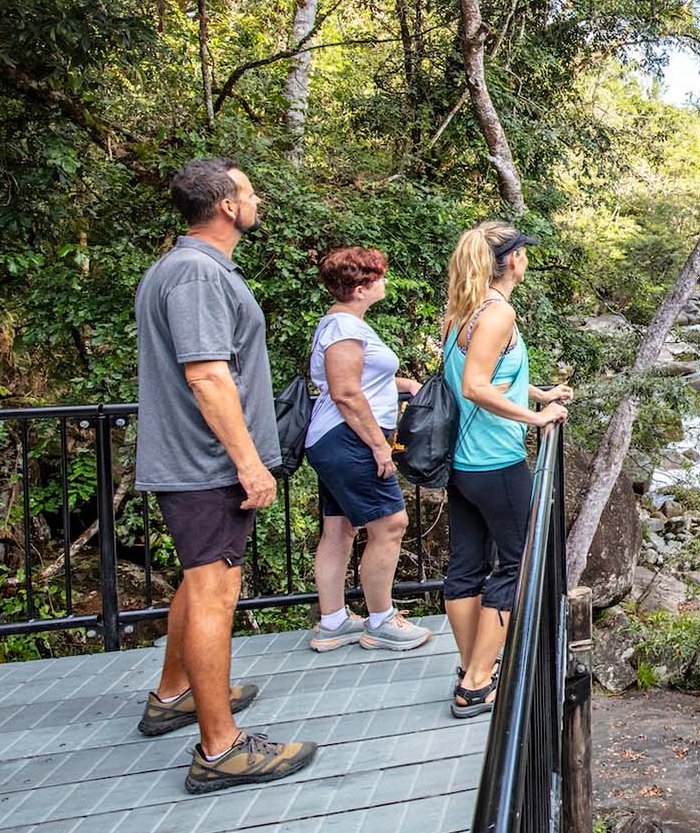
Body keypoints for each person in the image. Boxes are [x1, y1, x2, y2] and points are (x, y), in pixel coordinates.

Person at [133, 157, 317, 794]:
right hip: (205, 464)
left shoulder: (190, 268)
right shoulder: (195, 274)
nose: (257, 198)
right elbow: (207, 374)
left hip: (195, 463)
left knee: (198, 581)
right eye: (248, 191)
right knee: (217, 593)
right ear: (225, 207)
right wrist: (248, 463)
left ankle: (175, 692)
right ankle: (219, 749)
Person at [440, 221, 571, 718]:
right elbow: (475, 385)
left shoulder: (461, 310)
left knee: (466, 566)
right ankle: (478, 681)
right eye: (523, 253)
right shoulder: (498, 313)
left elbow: (493, 374)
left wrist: (539, 393)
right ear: (512, 260)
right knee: (517, 566)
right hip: (495, 462)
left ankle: (472, 667)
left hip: (463, 463)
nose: (526, 260)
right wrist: (537, 418)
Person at [303, 246, 432, 653]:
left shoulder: (342, 324)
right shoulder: (344, 329)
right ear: (360, 287)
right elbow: (345, 392)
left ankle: (333, 622)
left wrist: (407, 386)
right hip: (349, 438)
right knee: (391, 525)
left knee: (339, 529)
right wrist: (379, 446)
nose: (385, 282)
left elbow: (362, 380)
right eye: (378, 277)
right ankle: (381, 620)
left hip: (334, 439)